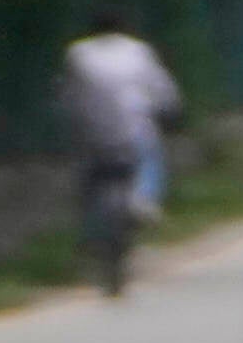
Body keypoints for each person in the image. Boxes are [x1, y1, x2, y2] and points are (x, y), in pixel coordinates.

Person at [60, 23, 181, 300]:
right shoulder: (138, 51)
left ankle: (88, 235)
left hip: (92, 133)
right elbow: (162, 90)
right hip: (135, 129)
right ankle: (145, 199)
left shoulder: (78, 53)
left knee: (86, 182)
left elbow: (68, 95)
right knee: (151, 156)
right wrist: (171, 110)